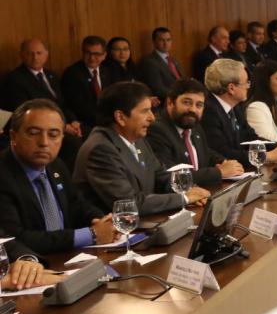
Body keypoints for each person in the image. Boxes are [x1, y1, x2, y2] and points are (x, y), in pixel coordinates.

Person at [72, 81, 210, 214]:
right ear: (120, 117)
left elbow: (161, 176)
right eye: (145, 111)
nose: (152, 118)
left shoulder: (137, 139)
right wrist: (184, 198)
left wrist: (190, 190)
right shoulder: (101, 149)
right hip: (116, 227)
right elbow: (129, 204)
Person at [0, 99, 116, 252]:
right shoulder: (4, 174)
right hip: (32, 262)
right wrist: (91, 234)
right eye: (33, 133)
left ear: (62, 138)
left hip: (69, 257)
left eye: (53, 135)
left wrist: (101, 221)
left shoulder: (56, 165)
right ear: (13, 136)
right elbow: (12, 239)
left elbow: (76, 205)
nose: (44, 142)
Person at [146, 79, 246, 187]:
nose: (193, 110)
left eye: (199, 105)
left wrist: (224, 162)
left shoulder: (193, 125)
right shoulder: (157, 130)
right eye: (187, 102)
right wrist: (219, 172)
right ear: (170, 103)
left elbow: (205, 152)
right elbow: (172, 175)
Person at [201, 59, 277, 165]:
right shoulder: (208, 112)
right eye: (246, 82)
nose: (249, 86)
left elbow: (251, 138)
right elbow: (223, 152)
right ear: (231, 88)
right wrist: (266, 156)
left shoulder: (235, 107)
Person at [1, 39, 78, 135]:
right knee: (74, 141)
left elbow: (62, 103)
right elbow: (24, 112)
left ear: (46, 54)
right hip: (40, 128)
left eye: (39, 53)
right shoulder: (15, 79)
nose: (35, 57)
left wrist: (73, 121)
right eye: (30, 53)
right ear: (21, 55)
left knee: (87, 133)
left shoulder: (51, 75)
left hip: (62, 122)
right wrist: (63, 126)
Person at [59, 35, 108, 133]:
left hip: (106, 120)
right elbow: (74, 105)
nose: (92, 58)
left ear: (104, 55)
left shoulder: (107, 71)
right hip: (84, 123)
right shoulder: (72, 73)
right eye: (88, 53)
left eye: (96, 54)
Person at [138, 27, 185, 100]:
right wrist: (180, 96)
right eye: (161, 40)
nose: (166, 43)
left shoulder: (174, 60)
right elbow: (158, 89)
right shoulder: (149, 61)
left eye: (168, 40)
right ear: (154, 42)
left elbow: (182, 79)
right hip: (166, 100)